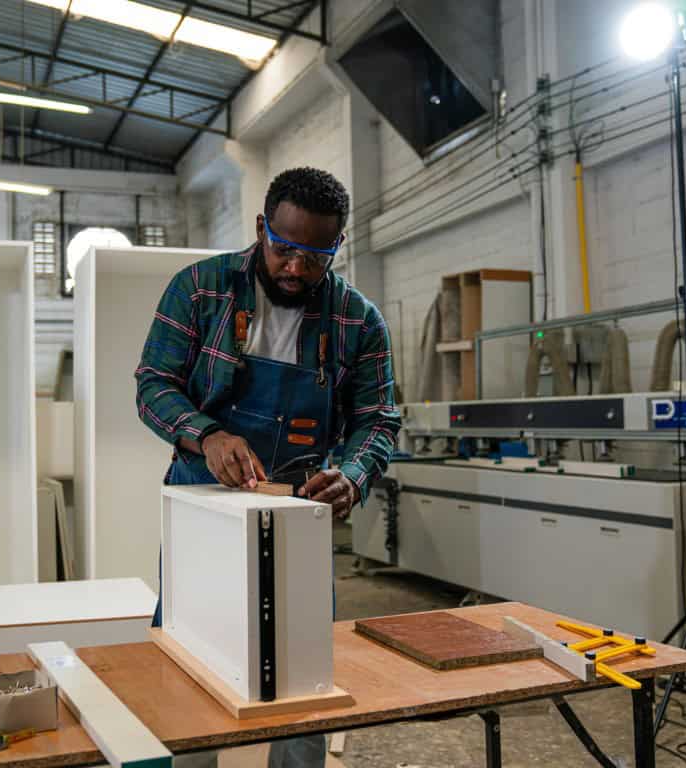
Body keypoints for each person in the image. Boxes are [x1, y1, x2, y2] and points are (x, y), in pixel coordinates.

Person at [135, 167, 401, 768]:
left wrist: (353, 475)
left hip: (298, 511)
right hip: (200, 500)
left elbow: (379, 419)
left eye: (316, 256)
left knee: (303, 666)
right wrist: (207, 436)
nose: (296, 269)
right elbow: (153, 386)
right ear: (261, 228)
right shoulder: (200, 289)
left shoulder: (358, 320)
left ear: (337, 246)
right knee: (187, 657)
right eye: (284, 249)